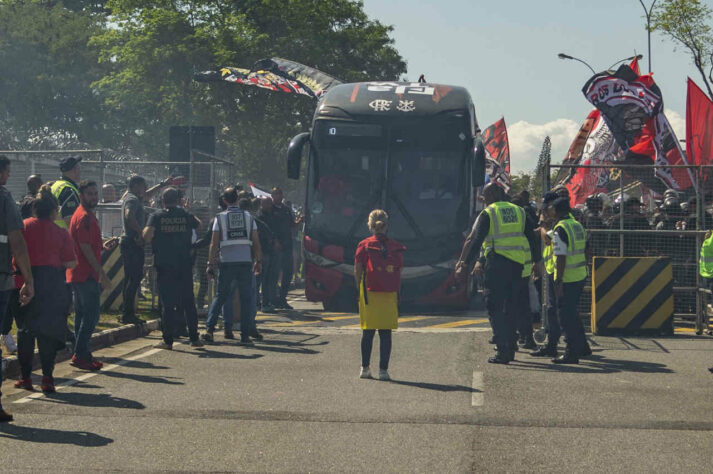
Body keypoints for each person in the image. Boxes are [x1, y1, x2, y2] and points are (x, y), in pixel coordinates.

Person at [455, 183, 540, 364]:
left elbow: (477, 240)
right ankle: (510, 348)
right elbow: (531, 237)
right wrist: (537, 261)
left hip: (496, 265)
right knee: (510, 308)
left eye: (485, 196)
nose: (484, 200)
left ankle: (503, 350)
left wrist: (465, 263)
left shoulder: (489, 213)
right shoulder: (519, 211)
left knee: (495, 308)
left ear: (493, 195)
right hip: (517, 266)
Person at [13, 185, 76, 394]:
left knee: (25, 331)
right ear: (53, 211)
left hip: (24, 281)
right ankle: (48, 378)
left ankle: (25, 377)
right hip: (53, 284)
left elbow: (15, 255)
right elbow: (70, 263)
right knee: (48, 333)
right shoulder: (60, 232)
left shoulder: (23, 226)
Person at [143, 187, 203, 350]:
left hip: (164, 265)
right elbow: (199, 225)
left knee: (167, 304)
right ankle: (194, 338)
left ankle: (167, 340)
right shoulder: (185, 215)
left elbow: (147, 236)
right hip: (184, 264)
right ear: (178, 200)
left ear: (162, 200)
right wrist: (184, 211)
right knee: (188, 302)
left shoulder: (156, 216)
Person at [202, 188, 262, 345]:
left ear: (224, 200)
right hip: (245, 262)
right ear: (237, 198)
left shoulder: (220, 218)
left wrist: (210, 263)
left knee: (220, 296)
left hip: (227, 262)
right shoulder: (248, 217)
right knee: (246, 298)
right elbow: (256, 241)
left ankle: (209, 329)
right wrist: (259, 261)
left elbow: (214, 243)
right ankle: (245, 335)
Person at [68, 180, 116, 370]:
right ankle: (80, 354)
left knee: (82, 315)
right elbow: (85, 248)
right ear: (81, 195)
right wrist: (102, 273)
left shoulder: (84, 215)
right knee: (92, 315)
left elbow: (86, 244)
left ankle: (81, 353)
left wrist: (101, 247)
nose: (94, 197)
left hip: (79, 273)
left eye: (95, 193)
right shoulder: (85, 217)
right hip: (85, 274)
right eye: (90, 194)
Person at [0, 156, 34, 423]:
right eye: (7, 173)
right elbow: (16, 240)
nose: (8, 177)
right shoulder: (3, 198)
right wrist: (28, 279)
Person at [354, 209, 405, 381]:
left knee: (367, 331)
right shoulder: (395, 246)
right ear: (386, 225)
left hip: (369, 292)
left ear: (370, 225)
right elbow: (399, 270)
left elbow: (358, 269)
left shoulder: (364, 245)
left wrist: (357, 289)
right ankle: (383, 370)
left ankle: (365, 368)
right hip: (389, 292)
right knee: (385, 332)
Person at [120, 174, 171, 325]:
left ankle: (126, 311)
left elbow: (147, 194)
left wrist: (161, 184)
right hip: (133, 242)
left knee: (131, 279)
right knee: (134, 278)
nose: (144, 189)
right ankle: (128, 313)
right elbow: (129, 215)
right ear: (136, 185)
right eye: (143, 185)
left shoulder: (133, 197)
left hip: (130, 242)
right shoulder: (132, 199)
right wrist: (140, 232)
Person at [548, 197, 591, 364]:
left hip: (567, 278)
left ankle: (571, 352)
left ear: (557, 211)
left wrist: (558, 281)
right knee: (572, 313)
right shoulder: (577, 225)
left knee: (565, 317)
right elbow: (587, 249)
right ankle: (583, 347)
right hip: (580, 275)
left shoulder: (560, 228)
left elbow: (560, 256)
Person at [530, 192, 562, 358]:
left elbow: (549, 239)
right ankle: (579, 345)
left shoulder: (559, 222)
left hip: (559, 272)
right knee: (558, 310)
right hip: (555, 269)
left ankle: (553, 345)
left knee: (554, 309)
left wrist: (542, 227)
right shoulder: (565, 220)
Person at [271, 187, 297, 309]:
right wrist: (275, 241)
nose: (278, 196)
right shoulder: (270, 210)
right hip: (275, 247)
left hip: (287, 246)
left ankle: (282, 298)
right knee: (274, 273)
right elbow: (268, 228)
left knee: (288, 273)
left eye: (279, 194)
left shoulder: (286, 210)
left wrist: (298, 222)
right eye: (275, 194)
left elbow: (292, 225)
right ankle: (273, 298)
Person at [257, 196, 280, 313]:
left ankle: (267, 301)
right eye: (267, 203)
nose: (269, 206)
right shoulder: (260, 217)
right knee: (261, 279)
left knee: (269, 279)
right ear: (262, 204)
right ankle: (260, 303)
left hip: (271, 252)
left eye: (270, 203)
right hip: (263, 251)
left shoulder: (273, 216)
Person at [51, 156, 82, 228]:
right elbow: (70, 220)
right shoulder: (68, 190)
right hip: (63, 236)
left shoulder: (55, 185)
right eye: (79, 168)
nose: (80, 172)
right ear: (75, 170)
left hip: (51, 233)